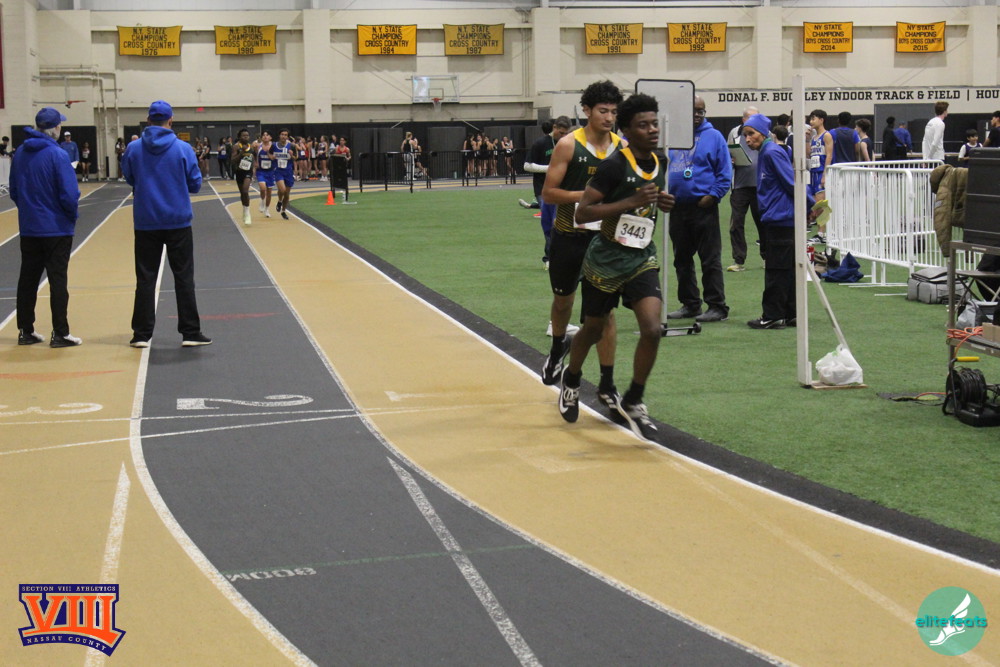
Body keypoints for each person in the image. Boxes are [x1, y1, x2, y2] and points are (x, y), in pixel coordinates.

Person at [559, 92, 675, 442]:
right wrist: (629, 201)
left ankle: (634, 398)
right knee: (593, 329)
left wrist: (663, 202)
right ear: (627, 130)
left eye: (654, 123)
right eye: (643, 125)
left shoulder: (661, 160)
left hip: (641, 257)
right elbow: (583, 213)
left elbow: (648, 203)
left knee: (652, 329)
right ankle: (572, 378)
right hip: (606, 260)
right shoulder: (613, 166)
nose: (652, 130)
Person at [541, 80, 624, 420]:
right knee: (563, 301)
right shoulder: (568, 145)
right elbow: (549, 193)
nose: (609, 118)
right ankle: (557, 346)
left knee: (604, 313)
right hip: (569, 236)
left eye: (614, 112)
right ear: (587, 111)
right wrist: (586, 196)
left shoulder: (622, 147)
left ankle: (607, 382)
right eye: (603, 111)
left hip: (604, 241)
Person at [121, 100, 210, 348]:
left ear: (148, 120)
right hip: (177, 220)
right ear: (171, 121)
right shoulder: (183, 148)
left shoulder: (134, 148)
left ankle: (141, 334)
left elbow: (129, 177)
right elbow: (195, 184)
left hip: (146, 220)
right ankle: (190, 332)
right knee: (184, 277)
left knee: (145, 278)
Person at [10, 107, 82, 347]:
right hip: (56, 228)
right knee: (58, 280)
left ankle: (25, 330)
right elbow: (69, 194)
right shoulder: (58, 155)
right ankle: (60, 332)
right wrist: (71, 216)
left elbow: (14, 190)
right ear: (56, 128)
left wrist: (28, 211)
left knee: (28, 279)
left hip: (29, 227)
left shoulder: (20, 153)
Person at [742, 113, 813, 330]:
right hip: (781, 218)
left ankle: (773, 314)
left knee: (776, 269)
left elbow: (791, 182)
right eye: (745, 135)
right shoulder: (767, 152)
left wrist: (811, 205)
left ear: (763, 133)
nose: (747, 139)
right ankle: (791, 313)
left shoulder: (771, 152)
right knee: (787, 268)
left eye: (751, 134)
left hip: (780, 219)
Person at [666, 95, 733, 323]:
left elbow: (724, 173)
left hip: (703, 207)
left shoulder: (714, 137)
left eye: (700, 111)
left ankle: (717, 306)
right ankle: (690, 304)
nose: (696, 115)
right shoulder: (674, 136)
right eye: (693, 110)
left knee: (710, 259)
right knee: (681, 259)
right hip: (677, 207)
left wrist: (712, 196)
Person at [523, 117, 571, 269]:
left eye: (566, 133)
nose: (563, 136)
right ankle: (549, 258)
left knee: (560, 224)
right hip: (543, 189)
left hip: (563, 189)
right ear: (554, 128)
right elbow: (527, 166)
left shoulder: (569, 144)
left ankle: (557, 257)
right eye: (561, 133)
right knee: (549, 225)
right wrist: (549, 169)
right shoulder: (540, 143)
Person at [726, 106, 763, 273]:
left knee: (763, 223)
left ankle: (767, 257)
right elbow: (728, 153)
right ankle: (738, 260)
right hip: (739, 186)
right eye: (751, 118)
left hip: (760, 186)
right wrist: (731, 160)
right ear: (744, 119)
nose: (754, 121)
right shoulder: (734, 133)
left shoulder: (765, 133)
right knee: (736, 224)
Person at [805, 109, 833, 243]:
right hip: (813, 173)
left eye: (813, 119)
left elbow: (829, 155)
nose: (811, 122)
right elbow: (808, 154)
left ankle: (821, 234)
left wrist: (825, 174)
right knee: (814, 204)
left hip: (821, 172)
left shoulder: (827, 135)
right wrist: (807, 139)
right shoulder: (814, 138)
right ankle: (820, 233)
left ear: (821, 120)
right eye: (810, 119)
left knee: (821, 204)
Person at [230, 127, 256, 226]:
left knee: (245, 190)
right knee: (242, 193)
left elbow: (254, 157)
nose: (246, 137)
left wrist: (254, 167)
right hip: (239, 171)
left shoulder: (251, 147)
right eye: (244, 136)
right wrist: (241, 154)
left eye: (247, 135)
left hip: (248, 171)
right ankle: (244, 210)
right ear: (239, 137)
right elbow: (232, 160)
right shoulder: (236, 147)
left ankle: (248, 212)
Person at [272, 129, 296, 220]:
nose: (283, 136)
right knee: (282, 190)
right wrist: (272, 157)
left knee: (286, 194)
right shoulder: (274, 145)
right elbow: (269, 154)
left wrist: (292, 155)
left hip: (288, 172)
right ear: (279, 135)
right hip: (278, 171)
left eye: (285, 135)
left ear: (287, 137)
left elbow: (296, 157)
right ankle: (279, 201)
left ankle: (283, 211)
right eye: (282, 134)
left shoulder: (292, 146)